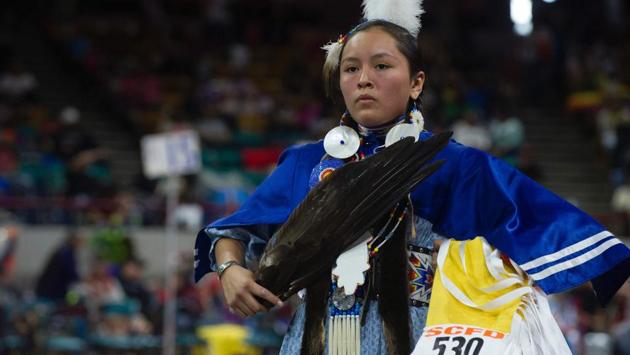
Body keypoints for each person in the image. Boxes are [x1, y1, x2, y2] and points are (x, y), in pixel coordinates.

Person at [194, 1, 630, 354]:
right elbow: (230, 230)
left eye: (382, 66)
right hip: (311, 340)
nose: (364, 79)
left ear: (417, 82)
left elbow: (539, 219)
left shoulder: (451, 164)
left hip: (415, 339)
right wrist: (230, 269)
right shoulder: (305, 163)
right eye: (351, 69)